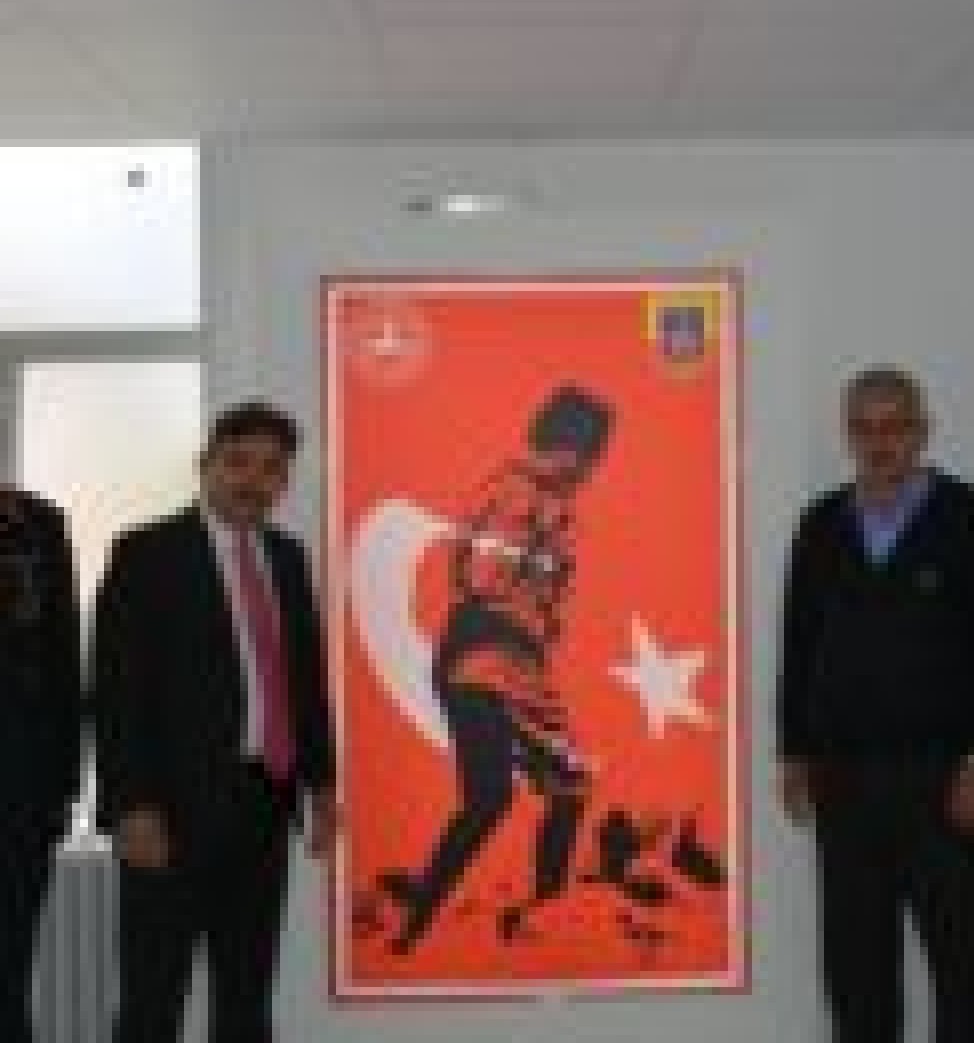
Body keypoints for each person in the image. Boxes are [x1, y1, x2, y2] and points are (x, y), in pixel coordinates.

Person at [777, 366, 974, 1043]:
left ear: (922, 431)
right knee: (856, 970)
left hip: (943, 778)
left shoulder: (969, 515)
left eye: (895, 426)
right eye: (864, 428)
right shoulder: (821, 523)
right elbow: (799, 643)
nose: (879, 443)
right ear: (848, 434)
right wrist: (793, 752)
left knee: (960, 967)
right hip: (845, 781)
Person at [93, 401, 336, 1043]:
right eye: (239, 463)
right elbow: (116, 694)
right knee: (152, 1004)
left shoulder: (288, 557)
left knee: (247, 1004)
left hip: (264, 806)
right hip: (167, 814)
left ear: (286, 480)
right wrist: (130, 805)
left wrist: (322, 785)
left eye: (273, 468)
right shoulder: (146, 553)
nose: (255, 480)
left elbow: (304, 682)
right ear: (207, 466)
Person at [378, 384, 615, 952]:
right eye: (591, 459)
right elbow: (484, 580)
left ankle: (427, 924)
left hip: (506, 659)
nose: (592, 473)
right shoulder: (518, 495)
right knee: (536, 792)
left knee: (516, 795)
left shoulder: (540, 499)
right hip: (490, 654)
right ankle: (533, 918)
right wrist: (540, 554)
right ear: (569, 449)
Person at [0, 483, 82, 1043]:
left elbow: (63, 658)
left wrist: (64, 789)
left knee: (11, 968)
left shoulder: (40, 522)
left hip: (26, 787)